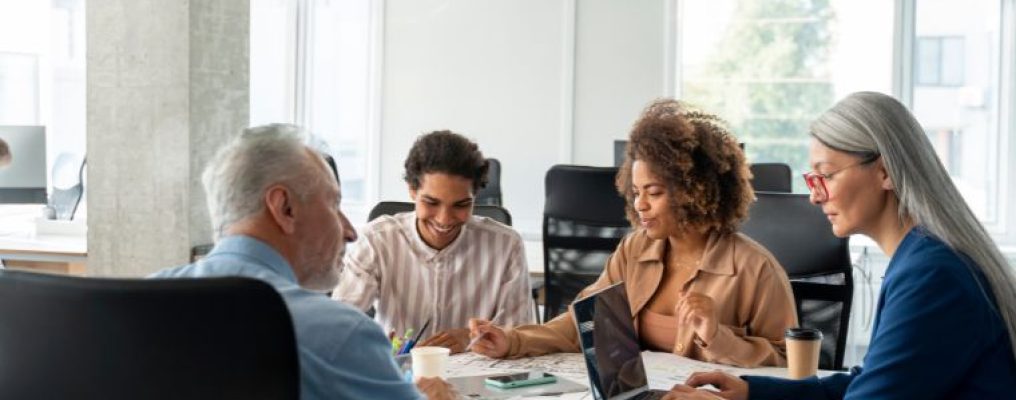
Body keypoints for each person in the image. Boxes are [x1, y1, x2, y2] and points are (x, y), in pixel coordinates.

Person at [663, 92, 1016, 400]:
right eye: (812, 178)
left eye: (826, 175)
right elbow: (865, 384)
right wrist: (752, 393)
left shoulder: (932, 276)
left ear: (885, 171)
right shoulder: (922, 257)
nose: (815, 196)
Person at [470, 99, 797, 368]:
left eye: (653, 193)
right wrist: (512, 340)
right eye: (636, 192)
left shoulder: (756, 270)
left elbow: (792, 364)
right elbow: (584, 322)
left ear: (695, 191)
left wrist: (717, 336)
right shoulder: (636, 249)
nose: (640, 205)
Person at [151, 124, 457, 400]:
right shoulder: (340, 333)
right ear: (284, 208)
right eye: (334, 204)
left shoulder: (131, 304)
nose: (350, 232)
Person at [333, 130, 533, 354]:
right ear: (412, 191)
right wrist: (371, 345)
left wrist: (473, 338)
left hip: (480, 378)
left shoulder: (506, 245)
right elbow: (339, 327)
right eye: (431, 202)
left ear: (475, 197)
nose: (444, 219)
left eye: (461, 205)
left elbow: (520, 334)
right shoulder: (376, 241)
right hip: (399, 375)